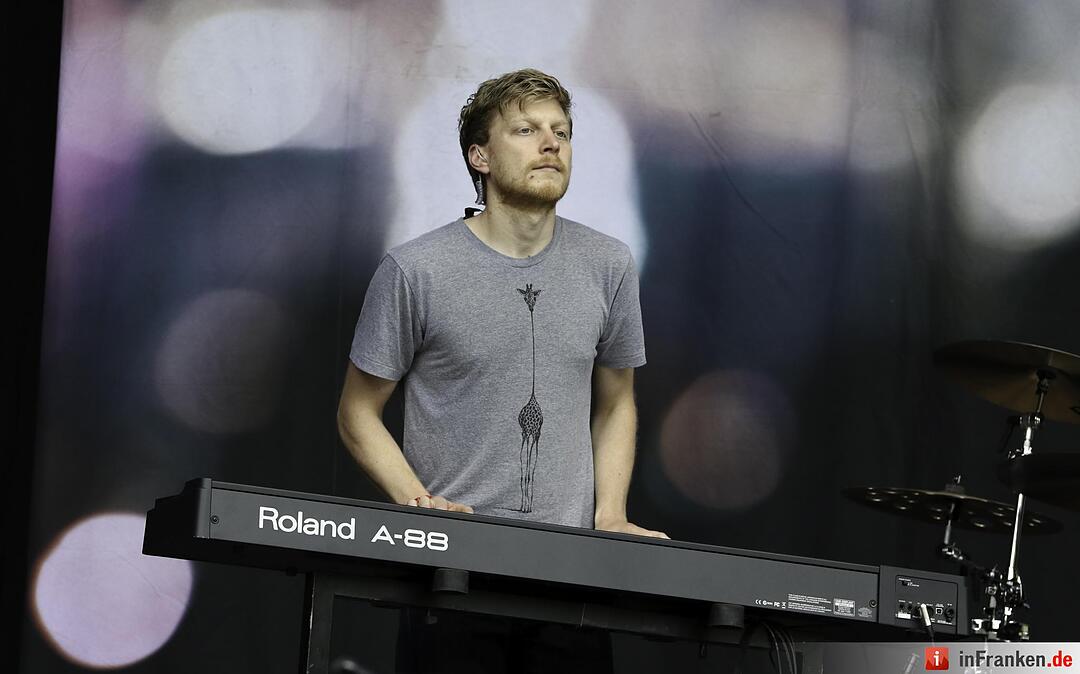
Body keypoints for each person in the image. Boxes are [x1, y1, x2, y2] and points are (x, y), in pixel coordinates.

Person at [337, 68, 666, 673]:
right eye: (526, 129)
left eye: (561, 132)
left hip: (571, 578)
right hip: (453, 574)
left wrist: (610, 516)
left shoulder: (609, 265)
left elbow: (617, 399)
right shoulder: (416, 270)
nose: (551, 143)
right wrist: (417, 503)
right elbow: (357, 412)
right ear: (479, 156)